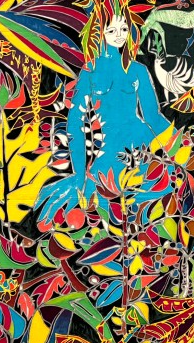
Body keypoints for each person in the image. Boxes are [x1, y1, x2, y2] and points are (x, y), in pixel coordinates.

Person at [36, 13, 173, 224]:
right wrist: (79, 174)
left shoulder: (138, 70)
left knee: (156, 204)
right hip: (109, 153)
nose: (119, 35)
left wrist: (177, 145)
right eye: (111, 30)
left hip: (142, 145)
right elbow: (74, 124)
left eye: (124, 29)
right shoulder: (90, 71)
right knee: (95, 209)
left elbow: (153, 117)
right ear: (99, 33)